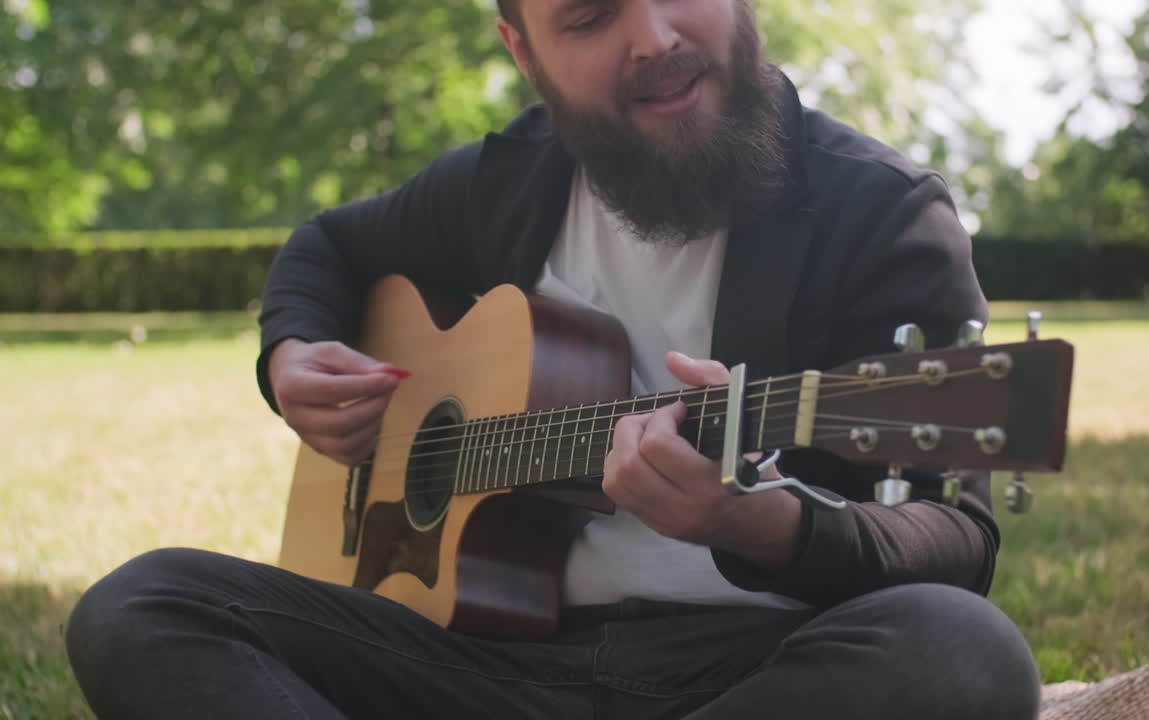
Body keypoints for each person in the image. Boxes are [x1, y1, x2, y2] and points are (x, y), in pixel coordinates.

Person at [64, 0, 1042, 717]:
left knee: (960, 655)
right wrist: (291, 356)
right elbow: (328, 245)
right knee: (143, 606)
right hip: (473, 666)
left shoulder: (879, 214)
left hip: (744, 672)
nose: (653, 35)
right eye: (588, 17)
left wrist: (764, 526)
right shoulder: (504, 183)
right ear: (523, 52)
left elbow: (953, 540)